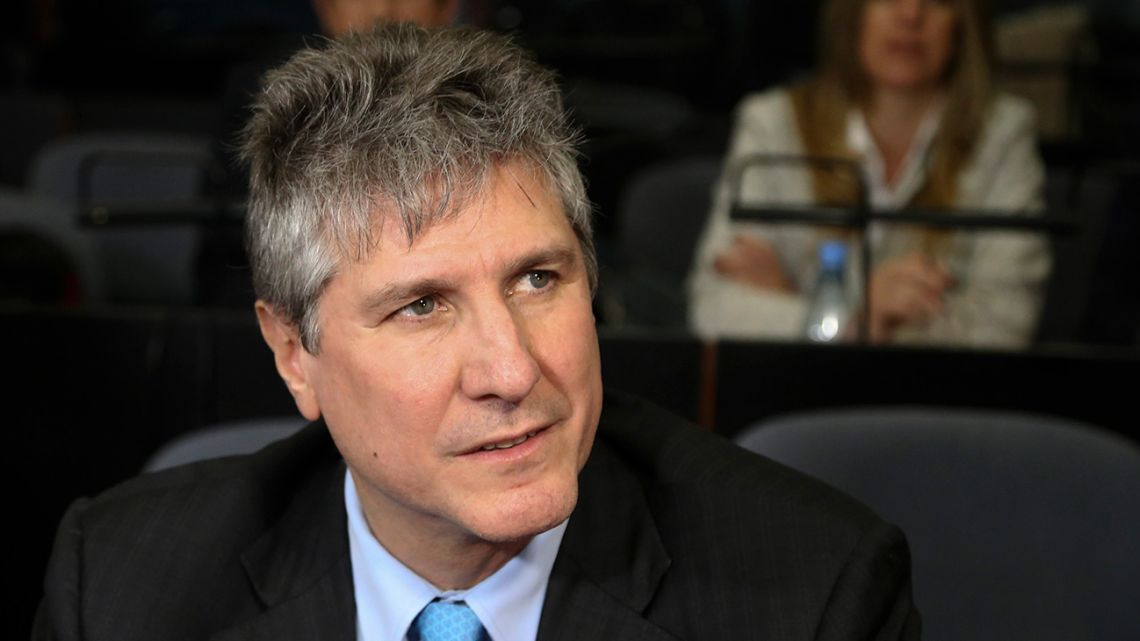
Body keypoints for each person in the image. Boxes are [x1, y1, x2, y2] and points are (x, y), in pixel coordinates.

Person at [34, 25, 920, 640]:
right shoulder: (119, 588)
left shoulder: (815, 597)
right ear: (294, 353)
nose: (512, 368)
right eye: (422, 305)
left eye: (539, 278)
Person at [689, 0, 1051, 347]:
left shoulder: (1003, 134)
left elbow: (1005, 327)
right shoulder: (772, 123)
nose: (910, 14)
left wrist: (802, 306)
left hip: (935, 402)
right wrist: (855, 315)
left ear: (964, 21)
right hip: (791, 398)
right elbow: (716, 309)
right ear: (851, 10)